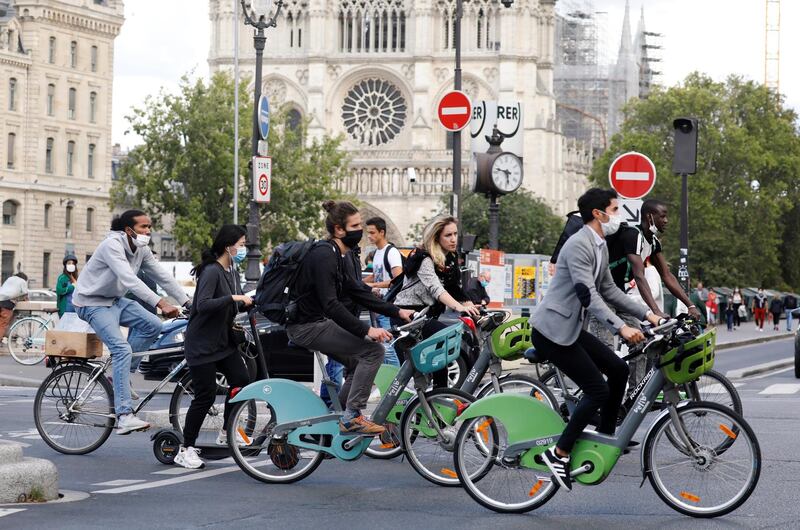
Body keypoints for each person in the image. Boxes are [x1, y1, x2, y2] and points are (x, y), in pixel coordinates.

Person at [530, 188, 660, 492]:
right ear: (599, 214)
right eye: (615, 209)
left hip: (570, 329)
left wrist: (650, 315)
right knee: (597, 389)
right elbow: (588, 294)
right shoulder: (578, 245)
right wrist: (620, 328)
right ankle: (559, 452)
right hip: (552, 331)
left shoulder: (599, 244)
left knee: (619, 370)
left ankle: (604, 437)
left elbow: (611, 290)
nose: (619, 216)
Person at [286, 200, 414, 435]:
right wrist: (367, 331)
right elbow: (331, 304)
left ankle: (340, 417)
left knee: (358, 364)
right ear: (339, 229)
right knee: (374, 351)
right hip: (307, 326)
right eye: (355, 225)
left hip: (317, 323)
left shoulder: (337, 254)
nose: (361, 230)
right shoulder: (324, 255)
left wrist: (398, 311)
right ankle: (352, 416)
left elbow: (356, 290)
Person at [73, 210, 190, 435]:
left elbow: (162, 276)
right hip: (91, 303)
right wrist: (161, 303)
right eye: (143, 227)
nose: (148, 231)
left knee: (154, 326)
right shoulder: (112, 245)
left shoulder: (141, 249)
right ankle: (125, 416)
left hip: (115, 301)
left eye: (149, 226)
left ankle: (122, 376)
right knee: (121, 349)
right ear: (128, 230)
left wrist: (187, 301)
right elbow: (129, 279)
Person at [174, 225, 253, 469]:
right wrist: (233, 298)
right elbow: (204, 304)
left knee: (241, 381)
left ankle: (227, 430)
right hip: (202, 344)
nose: (243, 249)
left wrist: (247, 302)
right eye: (240, 244)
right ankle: (185, 448)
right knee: (205, 396)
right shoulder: (211, 271)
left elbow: (231, 306)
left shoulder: (230, 272)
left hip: (223, 343)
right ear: (228, 246)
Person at [600, 199, 703, 385]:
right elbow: (639, 276)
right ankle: (598, 399)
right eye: (662, 216)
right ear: (649, 217)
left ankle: (632, 397)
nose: (666, 220)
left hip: (618, 294)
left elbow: (668, 276)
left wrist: (691, 305)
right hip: (601, 293)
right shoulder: (633, 235)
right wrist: (655, 311)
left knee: (639, 342)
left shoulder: (653, 242)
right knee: (605, 351)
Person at [394, 216, 481, 387]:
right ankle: (431, 398)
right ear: (436, 237)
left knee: (440, 363)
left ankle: (437, 400)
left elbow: (453, 287)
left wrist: (469, 304)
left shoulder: (449, 259)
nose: (454, 239)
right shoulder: (424, 259)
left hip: (425, 315)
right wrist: (459, 307)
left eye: (455, 234)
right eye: (448, 235)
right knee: (442, 338)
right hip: (407, 315)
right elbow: (437, 289)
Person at [364, 217, 404, 367]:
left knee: (388, 347)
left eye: (372, 233)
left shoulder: (391, 252)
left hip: (388, 304)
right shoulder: (377, 253)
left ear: (382, 232)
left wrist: (373, 285)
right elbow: (377, 274)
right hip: (379, 305)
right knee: (384, 346)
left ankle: (397, 383)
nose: (369, 236)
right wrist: (360, 284)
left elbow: (398, 279)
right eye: (368, 233)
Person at [0, 272, 29, 339]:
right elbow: (25, 294)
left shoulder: (9, 279)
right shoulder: (23, 281)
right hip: (7, 304)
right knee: (2, 324)